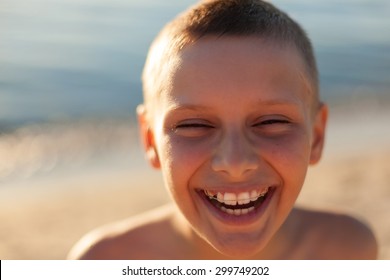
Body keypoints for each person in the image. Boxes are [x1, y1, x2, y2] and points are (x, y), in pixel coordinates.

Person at [68, 0, 377, 259]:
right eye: (194, 125)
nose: (235, 162)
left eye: (271, 122)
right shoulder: (103, 261)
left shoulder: (348, 248)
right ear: (150, 141)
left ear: (317, 136)